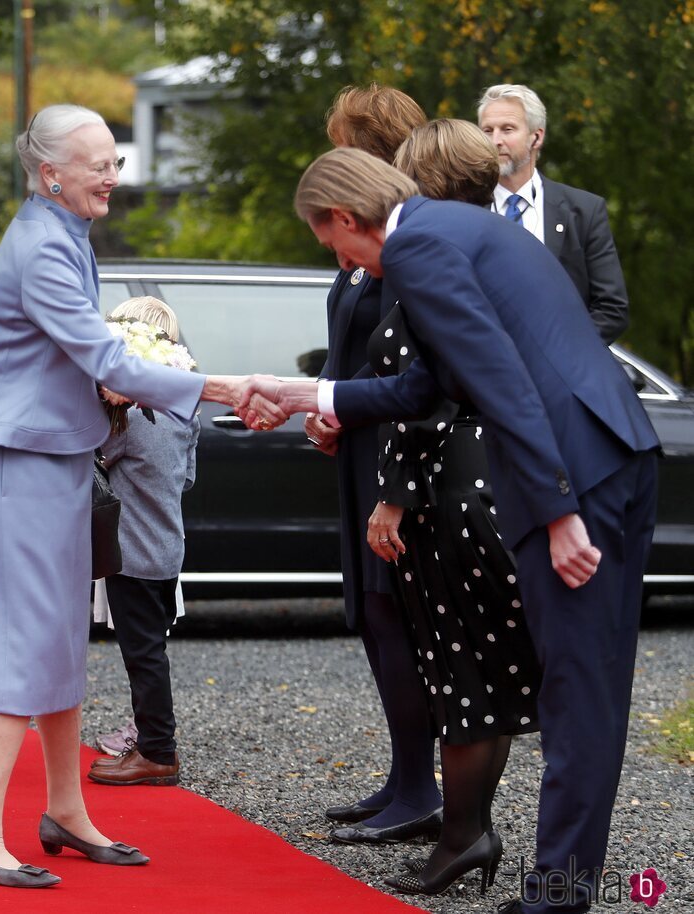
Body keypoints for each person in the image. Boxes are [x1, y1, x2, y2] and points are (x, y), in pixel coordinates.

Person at [239, 147, 659, 914]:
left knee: (577, 696)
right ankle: (560, 894)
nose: (339, 258)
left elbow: (500, 380)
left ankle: (556, 902)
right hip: (611, 449)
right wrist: (303, 391)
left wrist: (559, 510)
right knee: (587, 693)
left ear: (343, 217)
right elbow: (429, 383)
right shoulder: (453, 228)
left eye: (329, 242)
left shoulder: (416, 248)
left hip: (576, 474)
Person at [0, 103, 251, 889]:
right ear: (52, 174)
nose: (115, 176)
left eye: (115, 160)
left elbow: (91, 359)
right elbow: (104, 356)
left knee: (58, 635)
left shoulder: (60, 234)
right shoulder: (44, 245)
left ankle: (65, 812)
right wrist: (218, 385)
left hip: (47, 453)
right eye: (101, 163)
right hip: (17, 458)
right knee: (26, 636)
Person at [351, 119, 542, 897]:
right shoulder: (495, 249)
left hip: (455, 489)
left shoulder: (436, 259)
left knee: (465, 674)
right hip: (481, 482)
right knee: (479, 674)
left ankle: (466, 836)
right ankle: (466, 833)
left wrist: (392, 496)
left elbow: (432, 395)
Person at [309, 85, 443, 843]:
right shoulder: (364, 243)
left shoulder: (409, 244)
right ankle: (404, 776)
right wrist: (329, 411)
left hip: (397, 450)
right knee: (372, 612)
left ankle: (422, 791)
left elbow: (414, 367)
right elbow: (350, 348)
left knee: (398, 613)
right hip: (357, 442)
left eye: (343, 142)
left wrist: (349, 405)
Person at [87, 296, 200, 787]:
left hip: (132, 552)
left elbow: (92, 457)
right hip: (166, 547)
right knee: (151, 649)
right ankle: (153, 743)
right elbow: (188, 480)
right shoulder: (182, 414)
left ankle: (157, 750)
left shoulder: (132, 421)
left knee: (143, 654)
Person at [477, 83, 628, 344]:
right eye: (487, 130)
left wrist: (560, 356)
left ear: (537, 137)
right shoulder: (464, 208)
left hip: (560, 377)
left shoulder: (584, 211)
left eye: (508, 129)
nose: (495, 141)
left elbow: (611, 309)